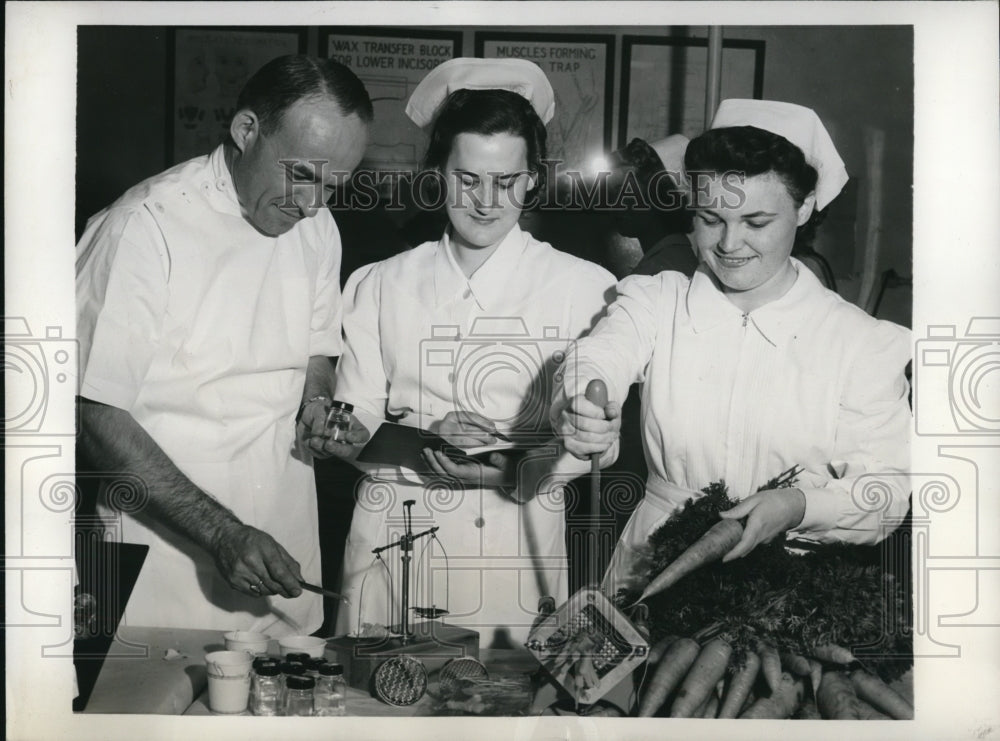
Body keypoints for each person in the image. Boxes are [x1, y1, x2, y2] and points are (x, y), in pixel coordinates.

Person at [551, 99, 911, 591]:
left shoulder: (860, 343)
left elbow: (885, 492)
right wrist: (583, 400)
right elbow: (601, 354)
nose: (728, 244)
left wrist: (799, 506)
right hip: (654, 565)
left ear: (803, 208)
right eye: (710, 218)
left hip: (789, 583)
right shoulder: (659, 300)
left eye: (757, 223)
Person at [76, 55, 372, 636]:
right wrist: (220, 533)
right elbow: (95, 415)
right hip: (161, 566)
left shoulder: (316, 227)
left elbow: (317, 349)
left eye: (332, 185)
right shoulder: (144, 226)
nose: (312, 204)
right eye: (303, 174)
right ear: (245, 131)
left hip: (285, 557)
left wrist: (317, 402)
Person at [333, 58, 616, 647]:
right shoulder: (378, 284)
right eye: (467, 179)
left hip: (519, 538)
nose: (486, 202)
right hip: (396, 531)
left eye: (507, 181)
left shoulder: (585, 289)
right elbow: (350, 425)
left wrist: (515, 463)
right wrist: (422, 437)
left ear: (534, 179)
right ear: (437, 172)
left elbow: (602, 447)